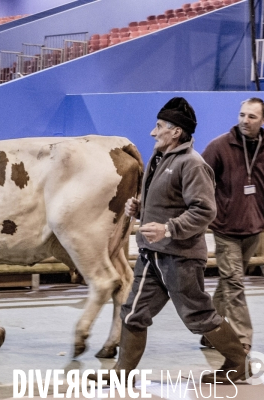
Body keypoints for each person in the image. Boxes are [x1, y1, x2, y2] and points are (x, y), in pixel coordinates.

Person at [91, 97, 250, 385]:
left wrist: (169, 229)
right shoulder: (158, 159)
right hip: (152, 254)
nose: (153, 132)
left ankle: (238, 364)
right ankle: (120, 374)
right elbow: (168, 202)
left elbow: (205, 210)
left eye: (159, 126)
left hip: (181, 257)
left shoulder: (192, 164)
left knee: (198, 316)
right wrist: (140, 209)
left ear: (176, 131)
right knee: (133, 313)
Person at [201, 98, 264, 354]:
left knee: (229, 283)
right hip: (225, 229)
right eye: (242, 115)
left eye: (252, 117)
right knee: (234, 283)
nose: (245, 120)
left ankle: (211, 331)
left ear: (263, 120)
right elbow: (199, 181)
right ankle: (243, 340)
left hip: (253, 229)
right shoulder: (219, 146)